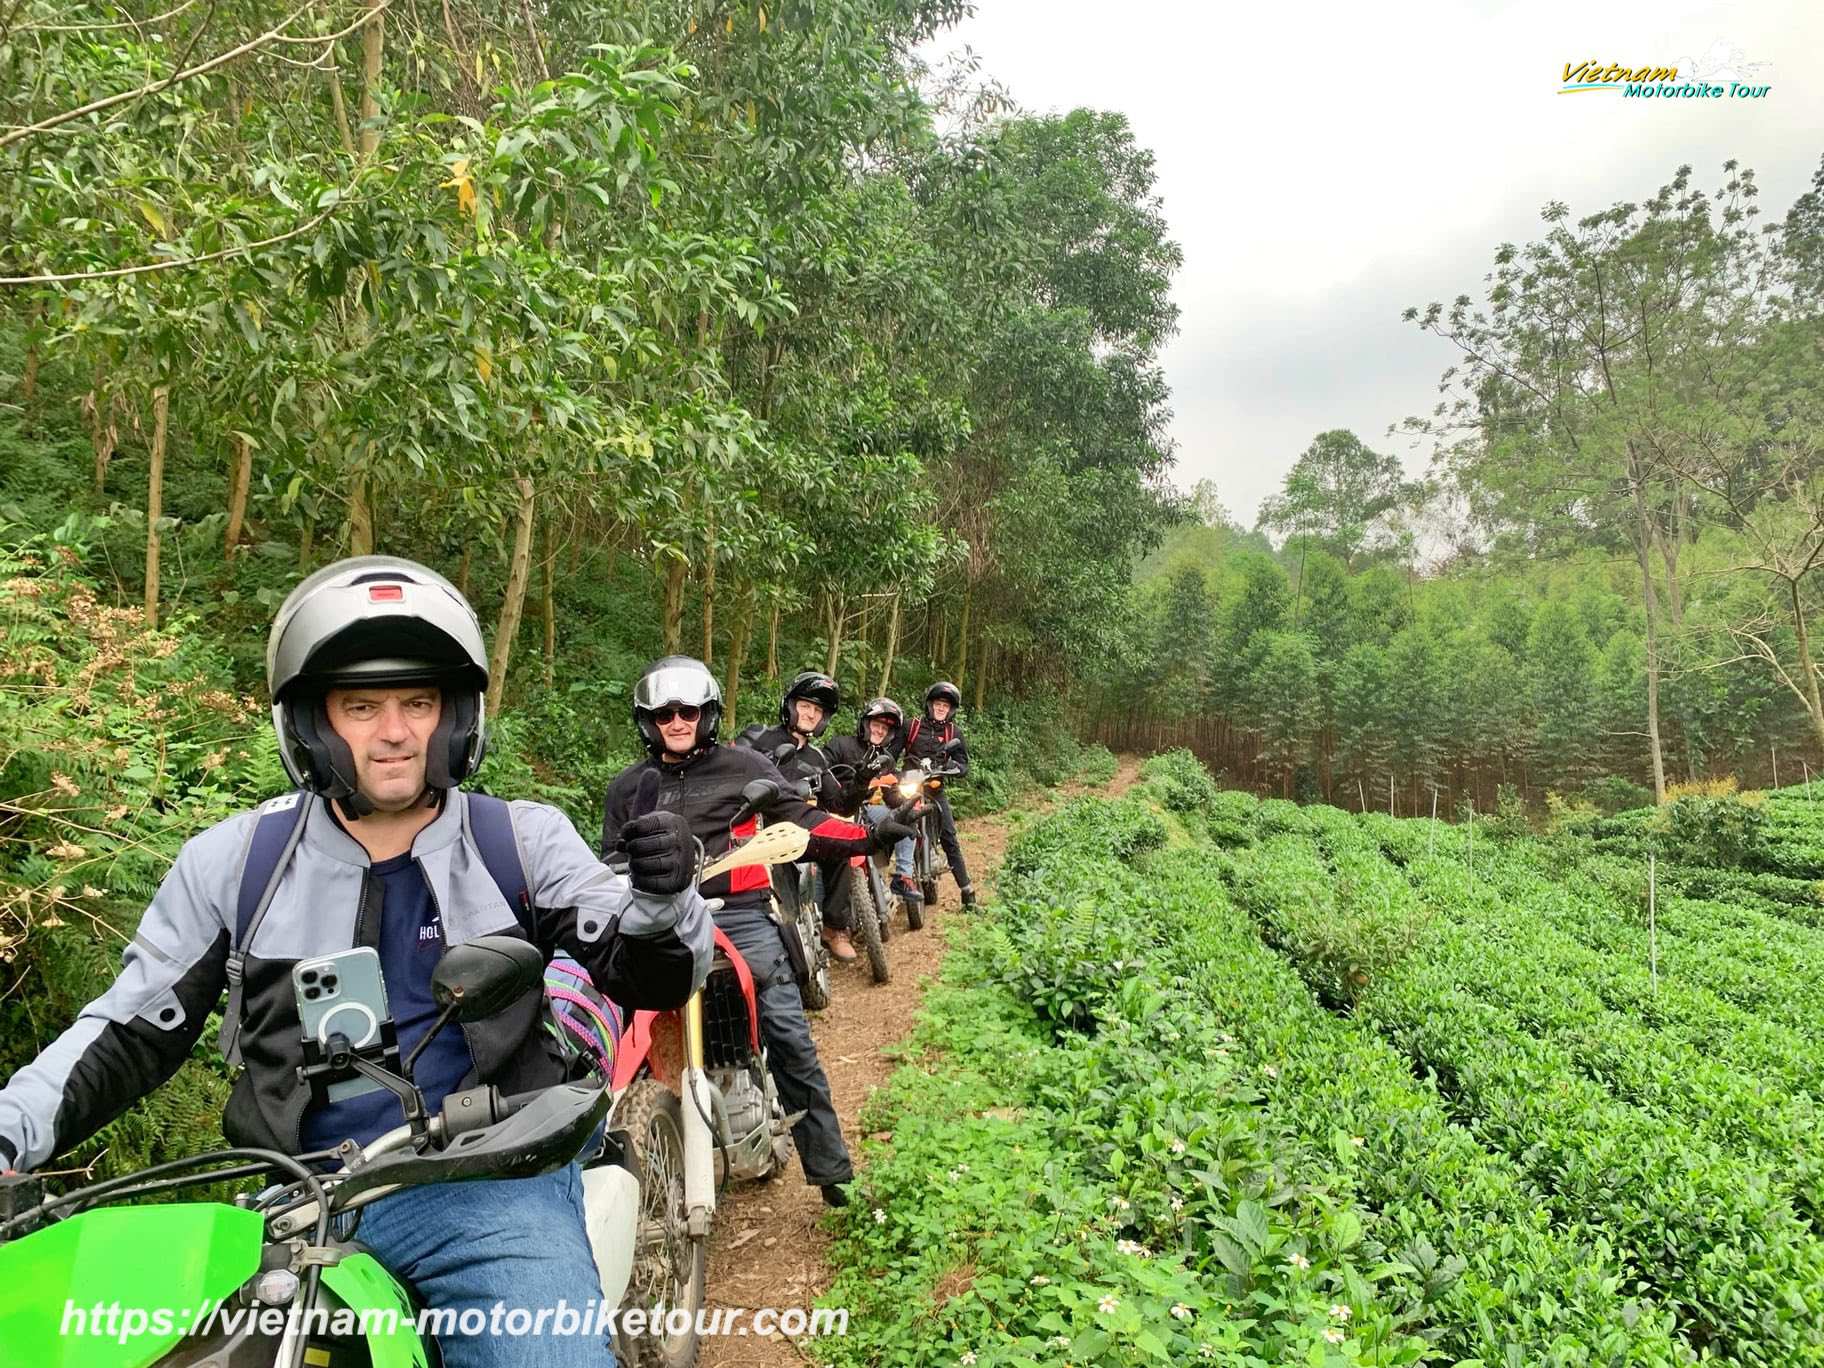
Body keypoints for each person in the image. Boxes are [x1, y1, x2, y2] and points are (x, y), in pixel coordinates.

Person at [0, 556, 711, 1368]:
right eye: (360, 705)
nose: (395, 730)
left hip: (487, 1188)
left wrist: (662, 901)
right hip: (285, 1200)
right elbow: (128, 1029)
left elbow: (641, 966)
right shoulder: (235, 864)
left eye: (418, 701)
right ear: (311, 723)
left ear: (456, 715)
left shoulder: (520, 839)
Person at [599, 657, 913, 1207]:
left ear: (708, 713)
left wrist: (869, 835)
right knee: (608, 1022)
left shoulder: (744, 765)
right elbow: (611, 861)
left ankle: (832, 1170)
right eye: (665, 712)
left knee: (788, 1032)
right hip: (658, 920)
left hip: (735, 909)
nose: (678, 720)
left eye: (688, 710)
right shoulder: (629, 787)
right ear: (648, 721)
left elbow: (803, 821)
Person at [738, 671, 858, 963]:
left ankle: (834, 928)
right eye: (806, 706)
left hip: (801, 834)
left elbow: (840, 805)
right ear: (791, 706)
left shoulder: (817, 758)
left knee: (841, 845)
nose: (810, 714)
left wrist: (862, 783)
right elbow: (729, 772)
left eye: (818, 710)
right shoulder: (757, 738)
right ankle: (779, 948)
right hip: (760, 836)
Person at [901, 681, 975, 908]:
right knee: (893, 830)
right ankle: (884, 887)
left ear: (950, 709)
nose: (941, 707)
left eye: (945, 705)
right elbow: (892, 751)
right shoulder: (911, 726)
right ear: (930, 704)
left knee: (949, 837)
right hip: (909, 790)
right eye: (938, 703)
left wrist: (953, 767)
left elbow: (963, 763)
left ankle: (968, 894)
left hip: (935, 789)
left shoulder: (954, 733)